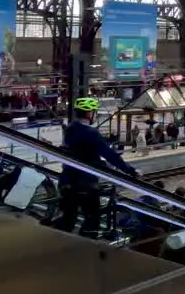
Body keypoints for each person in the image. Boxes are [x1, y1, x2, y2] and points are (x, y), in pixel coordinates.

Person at [54, 97, 139, 237]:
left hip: (66, 181)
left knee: (67, 220)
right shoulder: (92, 134)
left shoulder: (70, 129)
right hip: (85, 184)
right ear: (89, 113)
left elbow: (78, 152)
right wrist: (131, 170)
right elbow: (110, 155)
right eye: (94, 112)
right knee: (92, 221)